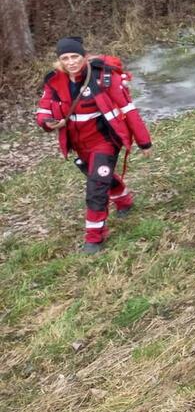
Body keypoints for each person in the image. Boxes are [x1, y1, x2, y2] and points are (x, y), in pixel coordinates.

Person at [36, 36, 152, 253]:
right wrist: (47, 122)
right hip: (79, 143)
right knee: (98, 176)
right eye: (65, 58)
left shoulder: (104, 77)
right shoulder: (53, 80)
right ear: (59, 61)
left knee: (96, 186)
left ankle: (94, 238)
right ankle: (124, 200)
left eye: (75, 56)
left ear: (84, 56)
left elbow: (129, 110)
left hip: (105, 140)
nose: (71, 62)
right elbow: (43, 109)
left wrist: (144, 142)